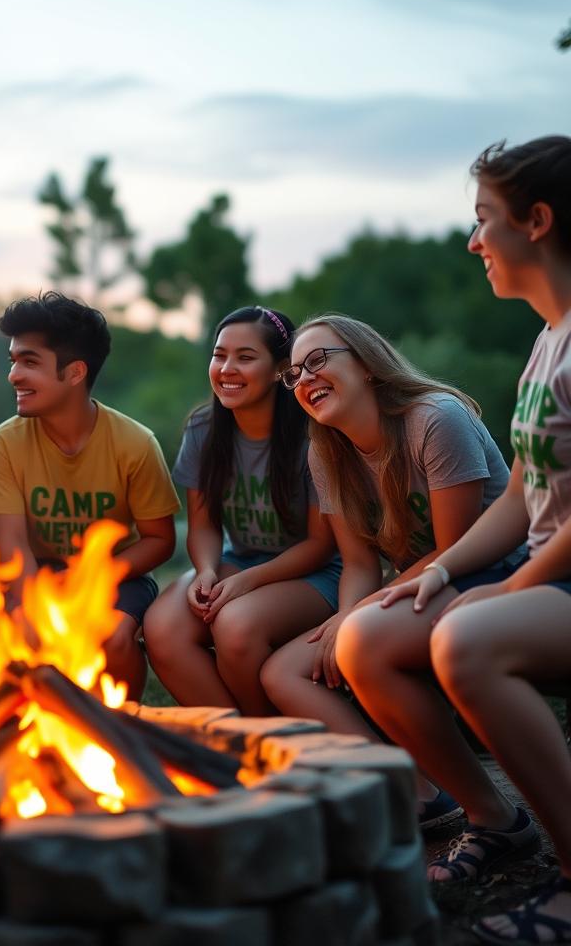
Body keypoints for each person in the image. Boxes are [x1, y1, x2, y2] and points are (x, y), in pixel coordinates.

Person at [343, 136, 571, 941]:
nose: (473, 242)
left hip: (562, 581)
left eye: (484, 220)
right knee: (367, 636)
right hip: (549, 578)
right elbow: (523, 489)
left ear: (536, 221)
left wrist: (509, 591)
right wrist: (441, 571)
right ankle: (495, 818)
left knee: (469, 638)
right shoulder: (547, 342)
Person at [260, 313, 516, 829]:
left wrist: (356, 617)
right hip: (421, 585)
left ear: (368, 365)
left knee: (360, 639)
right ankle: (417, 794)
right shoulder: (325, 453)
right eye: (293, 374)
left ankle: (491, 812)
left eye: (317, 361)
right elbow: (357, 563)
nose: (304, 379)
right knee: (283, 671)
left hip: (497, 572)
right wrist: (347, 612)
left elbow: (456, 546)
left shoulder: (434, 418)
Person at [0, 291, 179, 700]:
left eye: (29, 362)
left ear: (74, 373)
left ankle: (123, 731)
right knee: (9, 639)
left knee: (114, 636)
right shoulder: (5, 443)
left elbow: (159, 541)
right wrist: (39, 607)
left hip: (116, 574)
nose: (14, 375)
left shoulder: (135, 443)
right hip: (37, 572)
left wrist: (91, 577)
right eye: (13, 361)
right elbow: (12, 547)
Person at [143, 306, 340, 713]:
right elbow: (204, 526)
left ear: (279, 370)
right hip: (240, 561)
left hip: (318, 574)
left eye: (246, 357)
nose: (227, 368)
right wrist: (208, 570)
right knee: (162, 627)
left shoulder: (313, 435)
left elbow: (321, 545)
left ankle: (279, 738)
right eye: (219, 355)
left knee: (234, 627)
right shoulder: (203, 429)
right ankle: (238, 741)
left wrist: (248, 582)